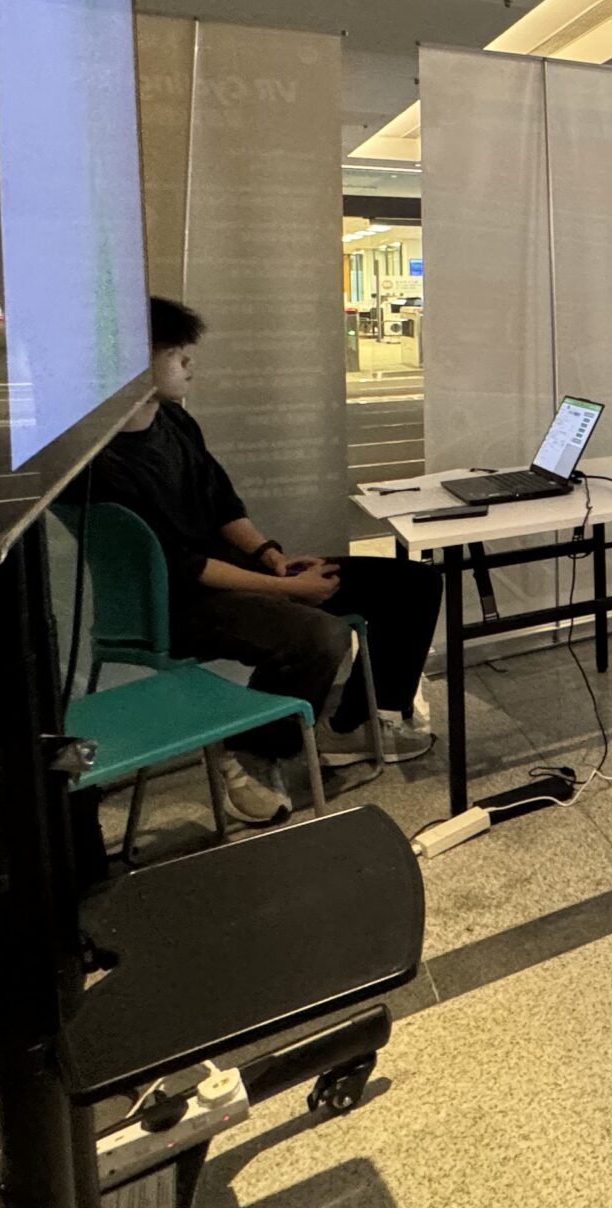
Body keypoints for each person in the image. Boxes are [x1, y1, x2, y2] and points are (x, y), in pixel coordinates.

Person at [88, 298, 439, 824]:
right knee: (318, 635)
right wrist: (291, 590)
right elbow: (183, 566)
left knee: (412, 584)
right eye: (177, 353)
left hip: (229, 575)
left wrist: (271, 557)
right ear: (134, 362)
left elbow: (223, 506)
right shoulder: (102, 461)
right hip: (176, 604)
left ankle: (347, 728)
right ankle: (252, 752)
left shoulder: (174, 422)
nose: (188, 363)